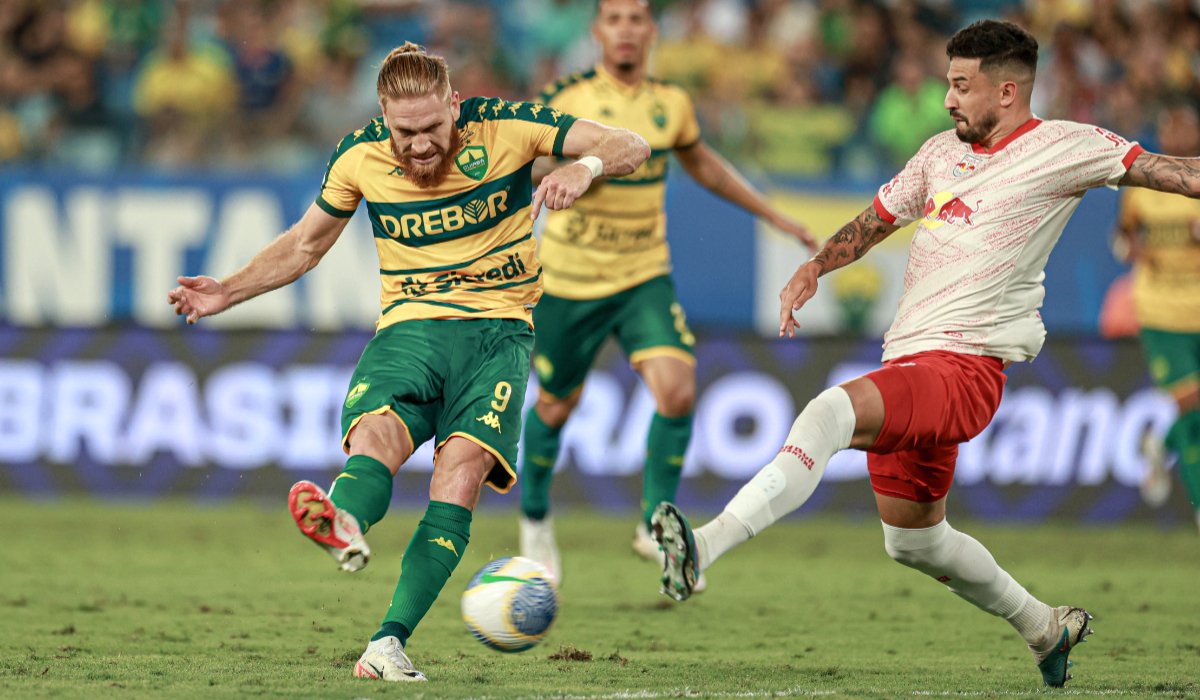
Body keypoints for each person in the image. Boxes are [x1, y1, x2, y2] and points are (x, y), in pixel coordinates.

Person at [650, 19, 1200, 688]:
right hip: (913, 360)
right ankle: (1044, 627)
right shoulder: (941, 153)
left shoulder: (1066, 147)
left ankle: (703, 548)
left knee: (829, 412)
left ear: (1006, 90)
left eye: (961, 86)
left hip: (965, 368)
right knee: (913, 538)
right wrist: (815, 268)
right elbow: (879, 217)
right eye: (947, 84)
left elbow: (1170, 172)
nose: (948, 99)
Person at [167, 42, 649, 682]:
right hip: (410, 329)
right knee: (376, 435)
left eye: (431, 128)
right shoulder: (359, 157)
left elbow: (633, 144)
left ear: (454, 105)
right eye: (404, 132)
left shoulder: (508, 126)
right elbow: (306, 245)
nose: (419, 145)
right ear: (383, 117)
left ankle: (387, 644)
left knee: (461, 475)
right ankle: (342, 520)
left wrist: (584, 167)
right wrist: (229, 289)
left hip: (498, 335)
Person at [516, 0, 815, 584]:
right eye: (615, 18)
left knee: (677, 390)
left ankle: (655, 527)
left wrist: (773, 216)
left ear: (651, 32)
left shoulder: (671, 103)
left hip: (642, 277)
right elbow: (523, 163)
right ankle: (534, 525)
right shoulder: (566, 98)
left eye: (636, 19)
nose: (626, 29)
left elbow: (705, 166)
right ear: (598, 31)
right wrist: (573, 167)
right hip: (569, 281)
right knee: (555, 405)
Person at [1112, 101, 1200, 531]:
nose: (1179, 134)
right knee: (1191, 405)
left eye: (1186, 126)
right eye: (1172, 125)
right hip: (1161, 311)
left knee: (1194, 413)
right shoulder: (1143, 187)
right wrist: (1137, 250)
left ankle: (1158, 444)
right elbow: (1121, 242)